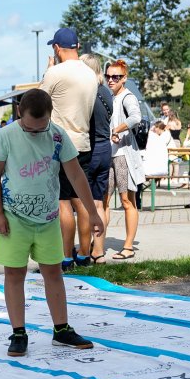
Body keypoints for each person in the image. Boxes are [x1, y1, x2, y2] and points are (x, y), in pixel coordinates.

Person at [0, 88, 103, 357]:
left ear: (51, 116)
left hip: (48, 220)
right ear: (19, 114)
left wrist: (92, 212)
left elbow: (75, 175)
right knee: (15, 274)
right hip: (14, 220)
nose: (36, 132)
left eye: (41, 128)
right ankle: (18, 332)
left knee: (54, 272)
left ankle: (61, 329)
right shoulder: (7, 136)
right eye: (30, 128)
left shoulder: (58, 136)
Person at [39, 28, 97, 270]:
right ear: (78, 45)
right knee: (81, 200)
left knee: (63, 202)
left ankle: (65, 255)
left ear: (56, 48)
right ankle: (84, 253)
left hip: (59, 142)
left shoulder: (55, 72)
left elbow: (38, 102)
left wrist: (47, 70)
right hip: (83, 141)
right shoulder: (91, 73)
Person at [106, 59, 145, 260]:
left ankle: (128, 246)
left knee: (127, 201)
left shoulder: (127, 97)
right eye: (108, 76)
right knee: (103, 202)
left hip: (124, 156)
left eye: (116, 77)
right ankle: (98, 246)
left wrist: (117, 129)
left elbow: (136, 117)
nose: (111, 80)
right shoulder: (109, 96)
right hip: (108, 154)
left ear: (124, 78)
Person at [79, 53, 112, 264]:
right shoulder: (106, 92)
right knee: (99, 204)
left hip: (90, 150)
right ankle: (98, 251)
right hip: (105, 148)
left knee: (84, 204)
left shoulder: (87, 93)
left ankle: (83, 250)